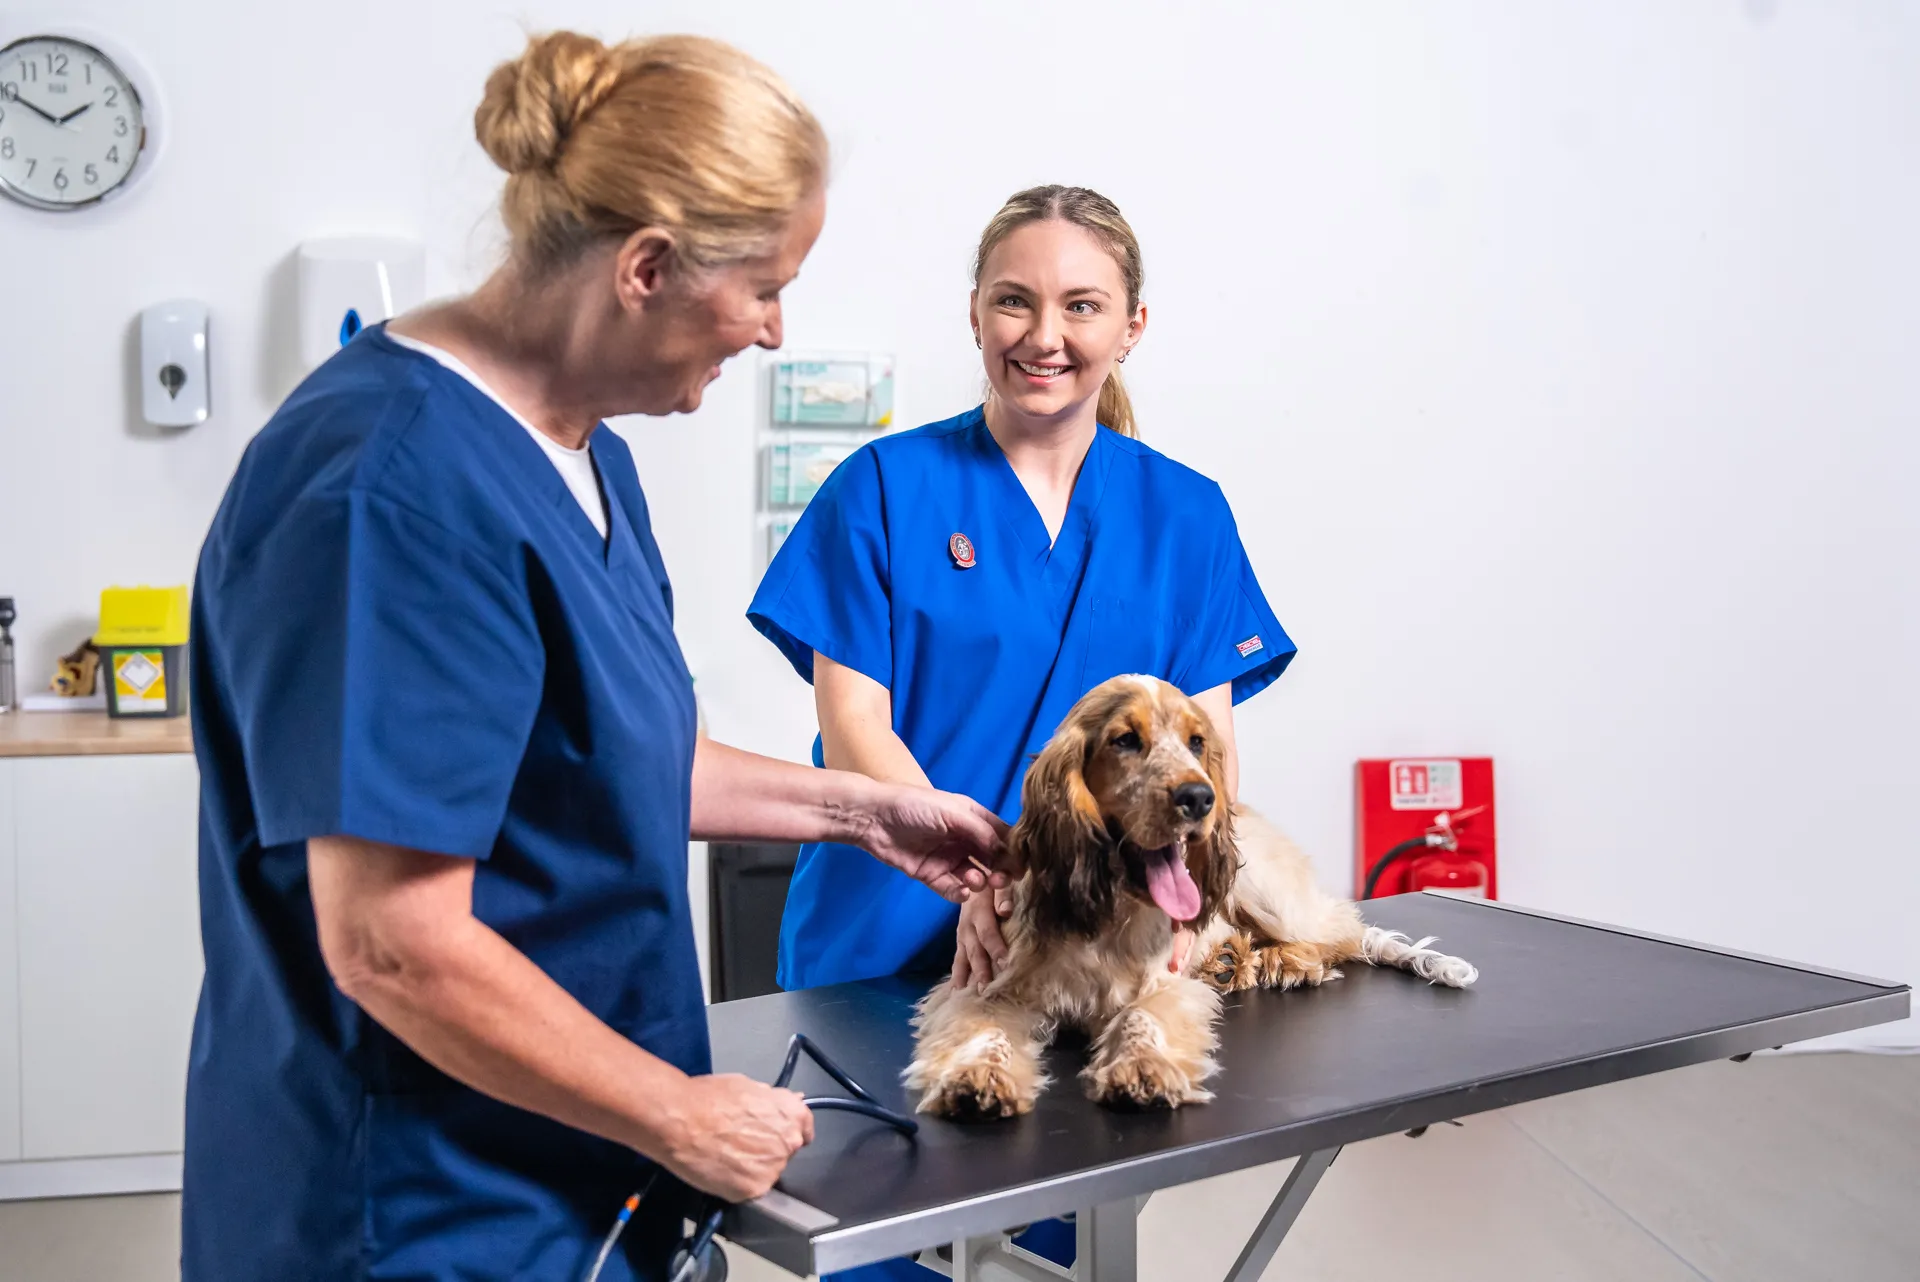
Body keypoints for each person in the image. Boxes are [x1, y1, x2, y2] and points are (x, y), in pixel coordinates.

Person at [181, 32, 1008, 1282]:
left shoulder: (581, 449)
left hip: (568, 1171)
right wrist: (675, 1113)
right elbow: (391, 940)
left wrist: (861, 808)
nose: (777, 331)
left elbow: (602, 760)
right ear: (648, 267)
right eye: (766, 288)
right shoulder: (386, 491)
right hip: (422, 1209)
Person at [747, 185, 1295, 1280]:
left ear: (1131, 327)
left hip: (1089, 947)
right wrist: (991, 884)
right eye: (1015, 302)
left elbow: (1208, 760)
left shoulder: (1186, 515)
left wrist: (1184, 904)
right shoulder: (882, 491)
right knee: (879, 1249)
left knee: (1055, 1249)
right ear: (974, 314)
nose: (1045, 337)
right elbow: (855, 727)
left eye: (1081, 306)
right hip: (882, 931)